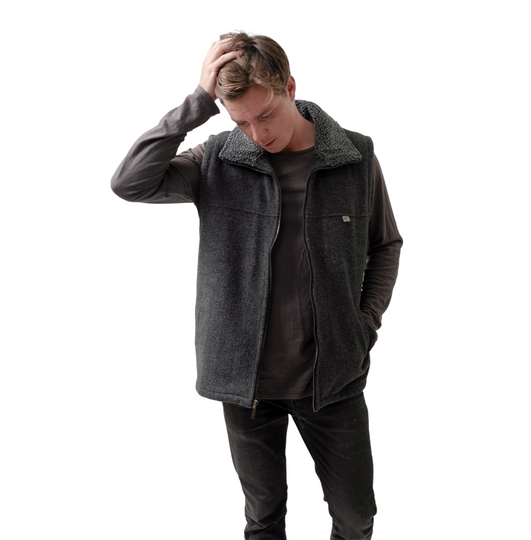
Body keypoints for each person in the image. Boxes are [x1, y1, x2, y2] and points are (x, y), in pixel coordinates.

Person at [111, 31, 402, 540]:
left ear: (289, 86)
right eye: (240, 121)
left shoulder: (354, 156)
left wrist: (363, 325)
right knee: (263, 519)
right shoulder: (218, 158)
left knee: (356, 518)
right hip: (246, 383)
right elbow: (130, 182)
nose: (256, 133)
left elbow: (385, 245)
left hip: (332, 375)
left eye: (264, 115)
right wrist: (197, 104)